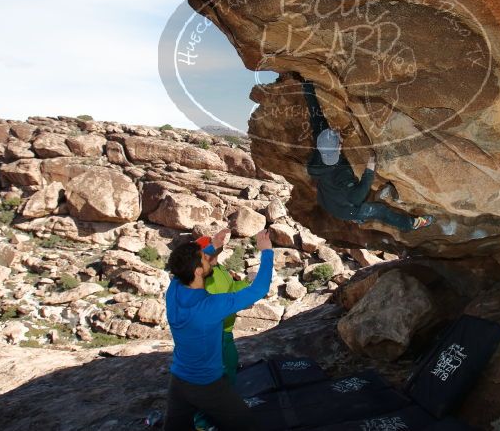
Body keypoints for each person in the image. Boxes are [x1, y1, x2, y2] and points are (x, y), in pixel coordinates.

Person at [163, 228, 275, 431]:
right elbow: (259, 289)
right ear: (198, 270)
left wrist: (214, 244)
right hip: (206, 384)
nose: (208, 256)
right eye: (204, 257)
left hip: (178, 379)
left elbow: (188, 263)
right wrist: (266, 252)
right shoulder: (210, 307)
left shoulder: (174, 290)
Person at [302, 80, 434, 232]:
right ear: (338, 147)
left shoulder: (322, 143)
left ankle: (358, 214)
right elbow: (359, 193)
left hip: (326, 199)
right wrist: (370, 169)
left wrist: (307, 86)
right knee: (379, 210)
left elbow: (315, 116)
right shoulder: (342, 183)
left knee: (318, 123)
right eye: (338, 138)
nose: (338, 133)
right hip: (344, 209)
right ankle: (412, 224)